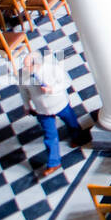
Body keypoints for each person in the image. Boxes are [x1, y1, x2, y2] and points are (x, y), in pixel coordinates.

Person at [20, 50, 89, 178]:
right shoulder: (24, 75)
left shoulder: (53, 69)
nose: (25, 68)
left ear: (37, 64)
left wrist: (52, 89)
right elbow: (23, 91)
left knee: (71, 122)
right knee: (50, 135)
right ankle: (53, 162)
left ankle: (77, 137)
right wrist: (27, 106)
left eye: (27, 65)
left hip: (59, 103)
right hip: (42, 110)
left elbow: (66, 82)